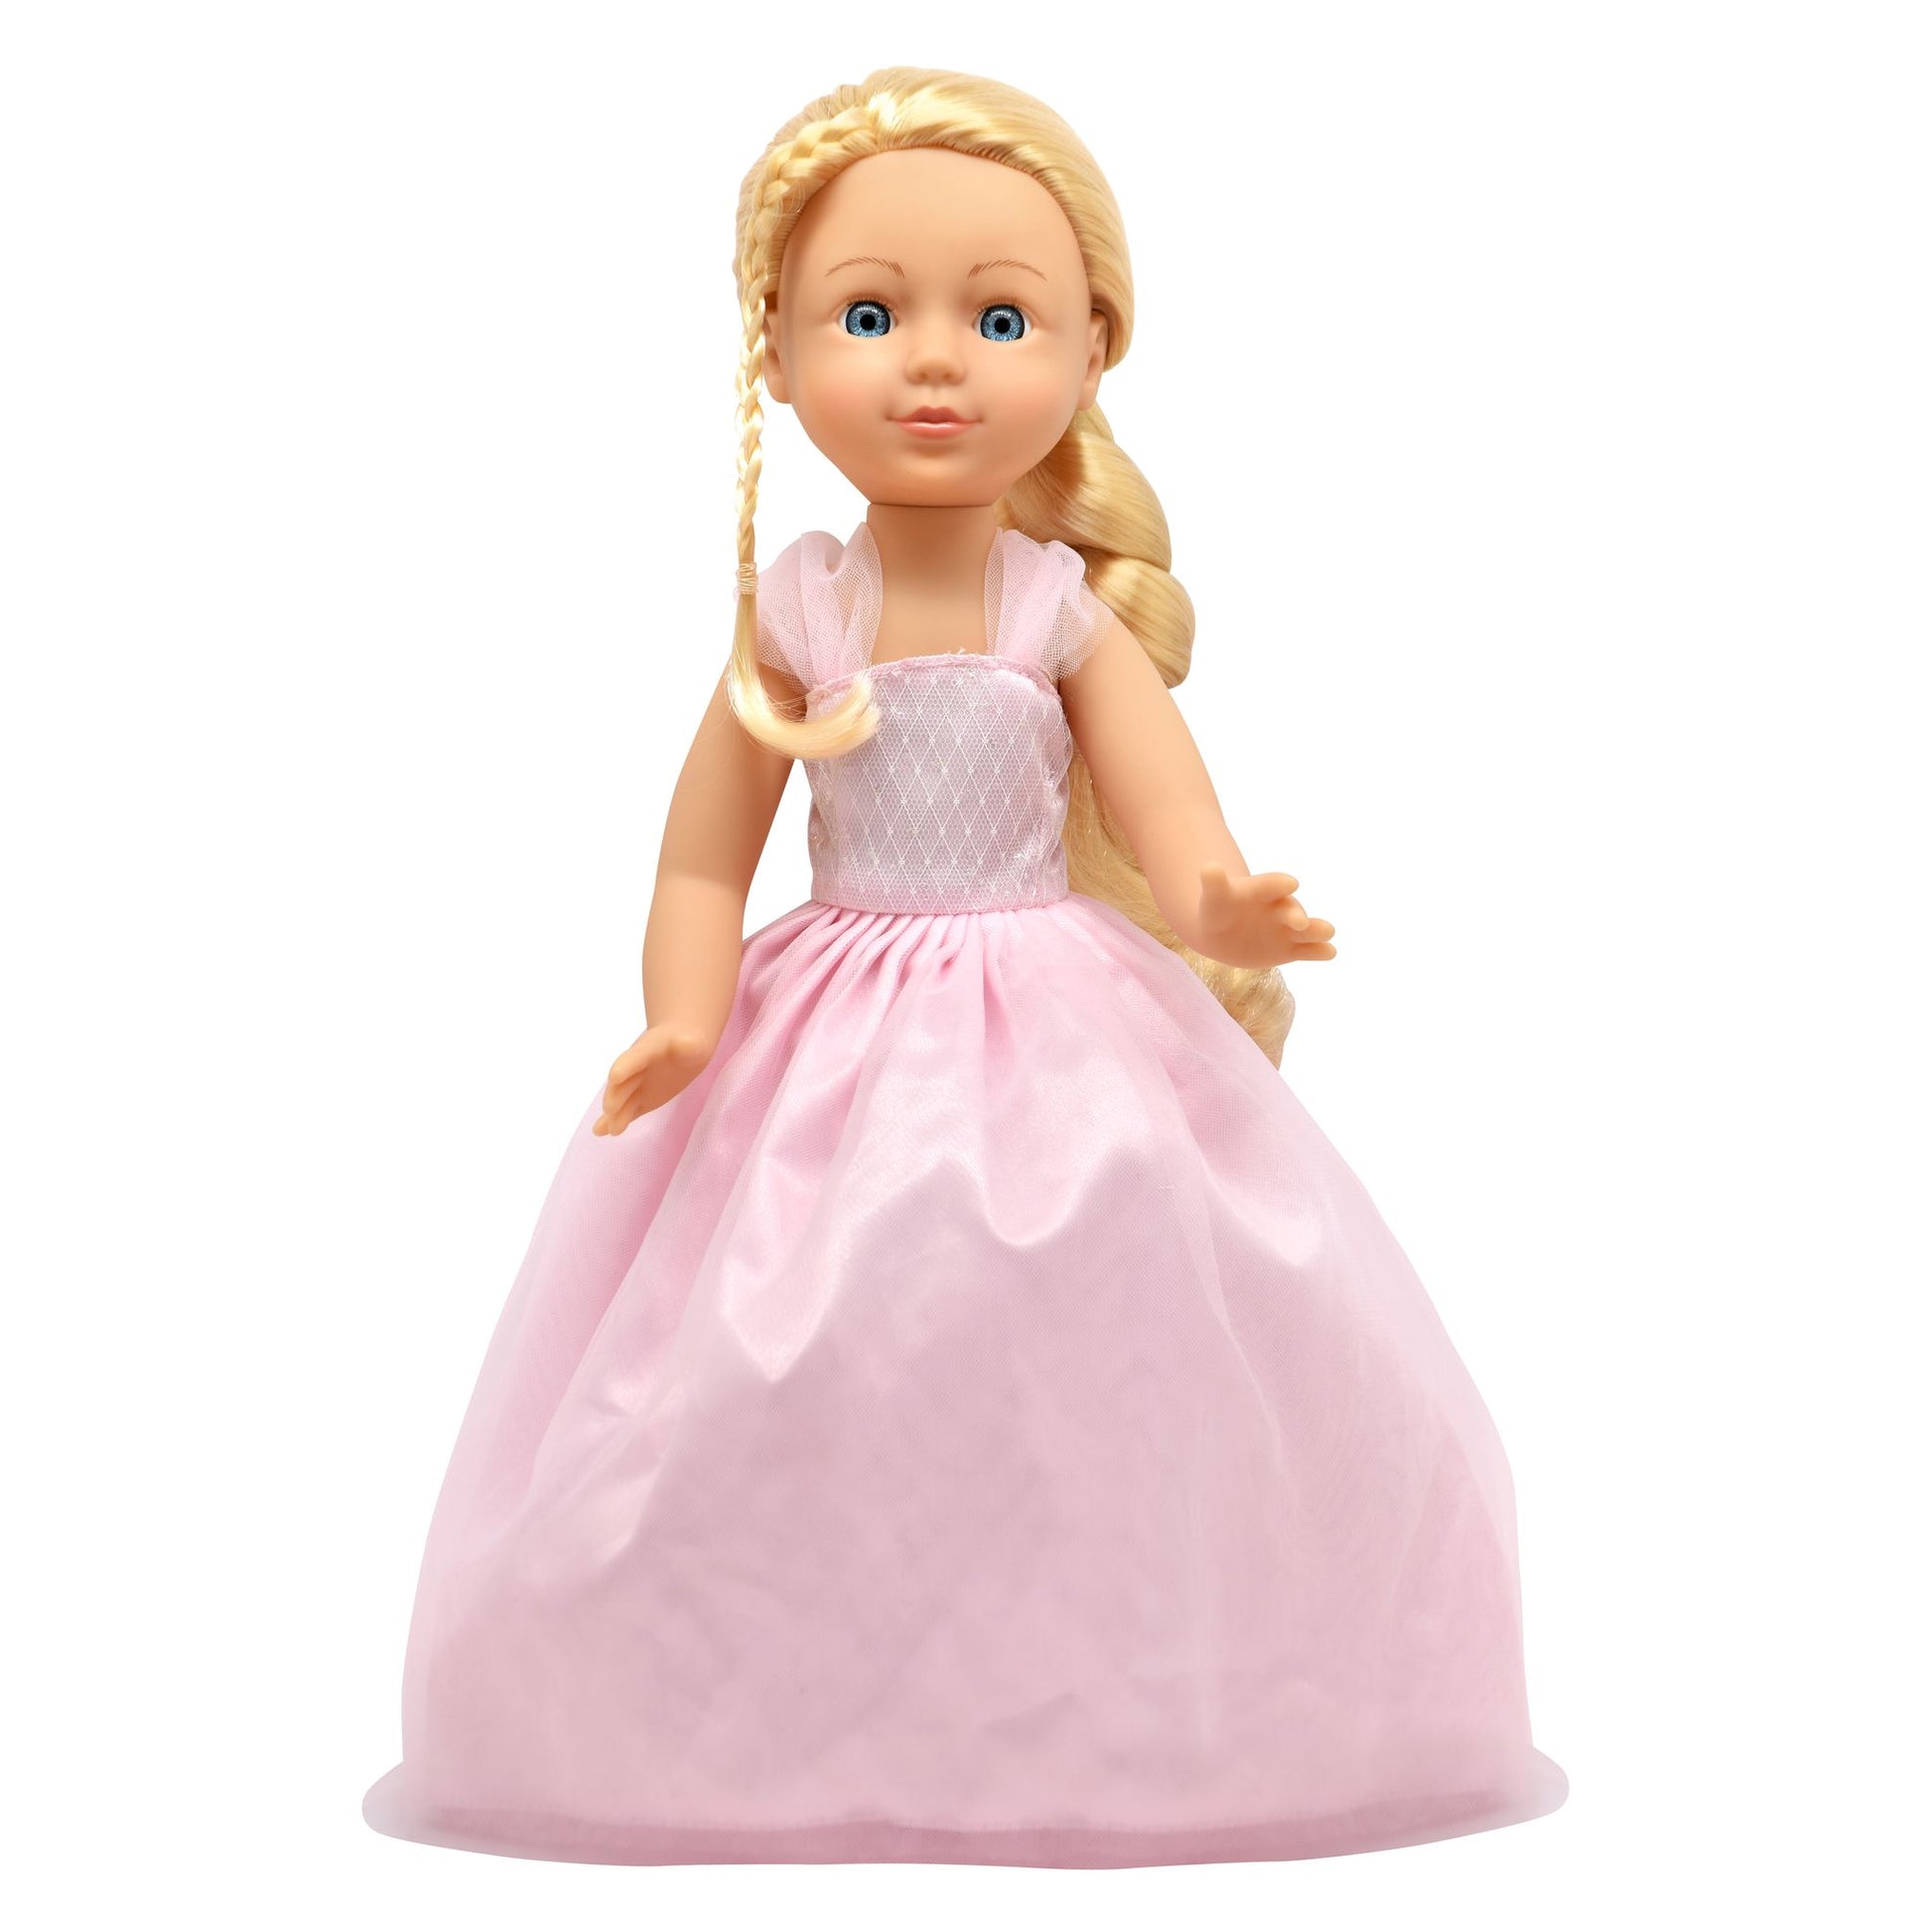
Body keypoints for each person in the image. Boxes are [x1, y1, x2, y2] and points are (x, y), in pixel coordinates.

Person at [363, 65, 1567, 1867]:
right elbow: (703, 849)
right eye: (868, 315)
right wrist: (683, 1012)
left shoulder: (1053, 611)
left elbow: (1172, 819)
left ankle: (1100, 1678)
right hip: (817, 1036)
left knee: (1087, 1350)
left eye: (999, 319)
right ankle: (788, 1682)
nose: (933, 363)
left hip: (1060, 1034)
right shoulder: (799, 612)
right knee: (784, 1358)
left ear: (1090, 350)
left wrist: (1222, 906)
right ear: (776, 356)